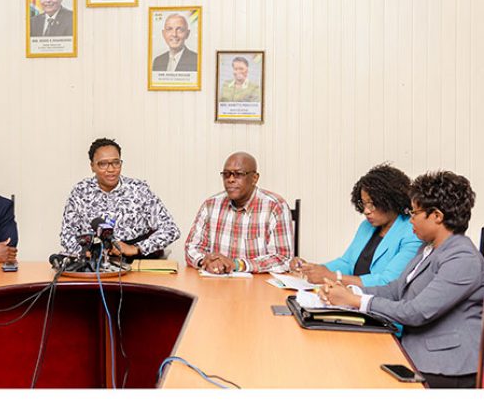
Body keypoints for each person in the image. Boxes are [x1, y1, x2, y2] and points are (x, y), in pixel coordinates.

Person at [320, 171, 483, 389]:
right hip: (413, 348)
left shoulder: (462, 258)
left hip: (444, 367)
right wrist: (349, 293)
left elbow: (416, 312)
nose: (410, 219)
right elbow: (396, 289)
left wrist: (356, 301)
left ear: (437, 216)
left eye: (414, 213)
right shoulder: (428, 248)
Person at [290, 164, 421, 286]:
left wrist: (332, 277)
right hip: (351, 298)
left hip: (376, 304)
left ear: (392, 201)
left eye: (372, 204)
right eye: (363, 204)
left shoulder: (413, 232)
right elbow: (347, 263)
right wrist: (312, 269)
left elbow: (387, 282)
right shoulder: (367, 226)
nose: (366, 211)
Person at [59, 138, 180, 259]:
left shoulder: (139, 190)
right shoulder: (80, 192)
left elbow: (171, 230)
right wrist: (82, 253)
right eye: (103, 164)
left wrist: (136, 248)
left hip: (134, 262)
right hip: (93, 262)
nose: (111, 169)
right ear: (92, 166)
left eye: (116, 163)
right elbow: (67, 233)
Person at [184, 152, 294, 273]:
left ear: (254, 178)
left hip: (257, 286)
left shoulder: (275, 206)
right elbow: (192, 247)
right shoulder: (211, 205)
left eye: (238, 174)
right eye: (226, 174)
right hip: (215, 282)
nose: (230, 179)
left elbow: (283, 258)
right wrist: (205, 260)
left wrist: (237, 264)